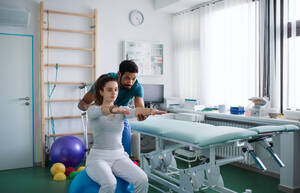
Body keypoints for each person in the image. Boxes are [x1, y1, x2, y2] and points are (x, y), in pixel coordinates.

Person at [86, 75, 166, 193]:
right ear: (101, 92)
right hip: (98, 158)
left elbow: (136, 110)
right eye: (109, 89)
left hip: (118, 156)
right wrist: (113, 109)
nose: (114, 92)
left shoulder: (122, 110)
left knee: (142, 179)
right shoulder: (93, 110)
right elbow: (103, 110)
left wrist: (150, 111)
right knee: (110, 183)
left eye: (116, 89)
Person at [78, 60, 146, 155]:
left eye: (133, 79)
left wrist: (142, 114)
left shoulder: (136, 87)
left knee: (124, 151)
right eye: (127, 78)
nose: (130, 82)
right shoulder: (105, 81)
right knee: (105, 149)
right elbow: (82, 104)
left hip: (120, 115)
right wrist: (93, 109)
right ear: (119, 74)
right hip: (102, 115)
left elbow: (140, 108)